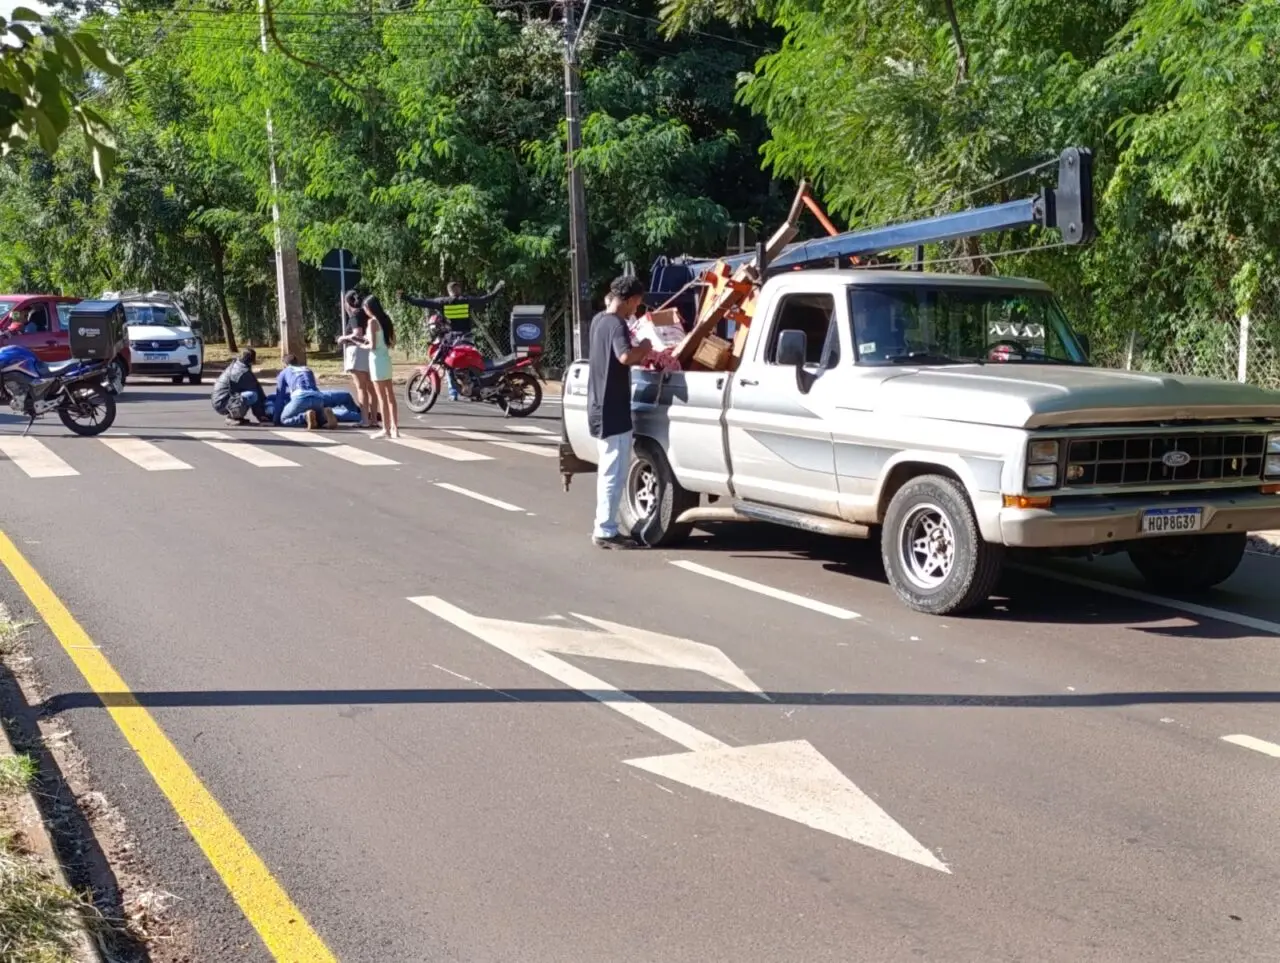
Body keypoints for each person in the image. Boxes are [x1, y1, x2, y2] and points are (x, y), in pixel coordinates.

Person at [587, 276, 652, 549]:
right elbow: (625, 357)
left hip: (598, 405)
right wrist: (646, 348)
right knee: (614, 471)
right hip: (613, 407)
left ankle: (605, 525)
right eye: (637, 302)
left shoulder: (599, 320)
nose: (638, 307)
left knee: (608, 470)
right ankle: (605, 529)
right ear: (628, 300)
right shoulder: (617, 324)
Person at [398, 280, 505, 400]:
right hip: (466, 337)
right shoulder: (466, 301)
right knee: (459, 363)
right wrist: (497, 289)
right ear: (459, 290)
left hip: (450, 339)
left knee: (450, 363)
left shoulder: (443, 302)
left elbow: (423, 302)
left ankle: (458, 390)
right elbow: (485, 299)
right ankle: (462, 387)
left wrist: (405, 297)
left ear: (449, 292)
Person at [353, 295, 401, 440]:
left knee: (381, 397)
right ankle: (395, 428)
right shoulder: (386, 320)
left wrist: (361, 345)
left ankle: (385, 429)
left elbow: (372, 346)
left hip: (376, 360)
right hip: (385, 358)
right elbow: (391, 342)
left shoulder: (372, 322)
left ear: (369, 308)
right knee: (390, 395)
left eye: (365, 308)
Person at [273, 355, 364, 429]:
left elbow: (280, 397)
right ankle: (325, 416)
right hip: (318, 398)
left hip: (300, 398)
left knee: (284, 419)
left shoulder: (284, 372)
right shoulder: (306, 369)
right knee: (319, 419)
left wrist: (276, 420)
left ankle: (305, 416)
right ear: (297, 362)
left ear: (284, 365)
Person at [337, 290, 376, 428]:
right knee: (371, 387)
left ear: (347, 303)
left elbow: (357, 333)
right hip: (369, 351)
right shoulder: (367, 314)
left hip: (356, 351)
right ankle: (374, 420)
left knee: (361, 388)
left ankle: (365, 420)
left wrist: (343, 338)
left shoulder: (355, 315)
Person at [210, 348, 269, 425]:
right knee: (252, 395)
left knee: (251, 393)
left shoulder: (236, 365)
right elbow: (256, 394)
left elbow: (256, 385)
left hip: (220, 400)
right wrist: (261, 416)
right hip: (223, 402)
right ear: (251, 361)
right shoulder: (243, 372)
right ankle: (232, 416)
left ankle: (236, 415)